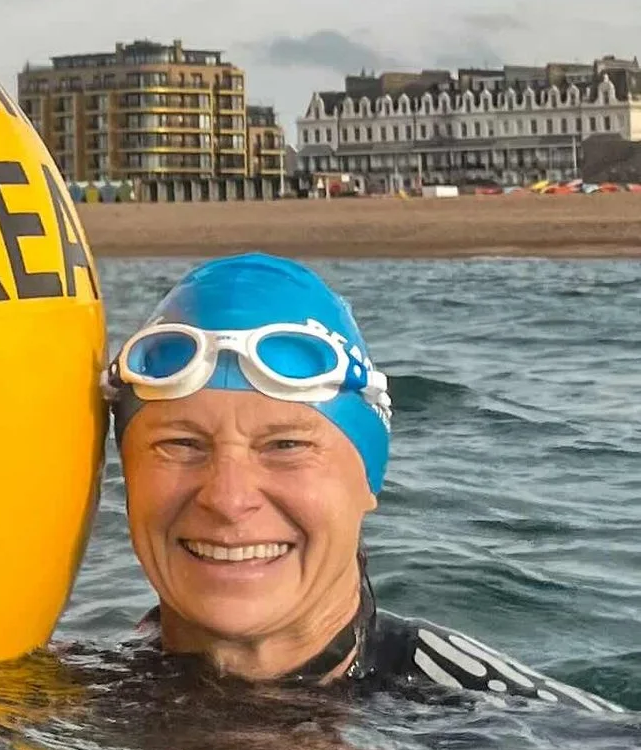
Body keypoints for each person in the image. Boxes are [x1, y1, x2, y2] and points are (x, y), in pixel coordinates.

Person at [106, 253, 618, 710]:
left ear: (369, 478)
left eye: (286, 446)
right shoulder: (62, 695)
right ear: (127, 476)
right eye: (180, 445)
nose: (227, 498)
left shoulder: (514, 724)